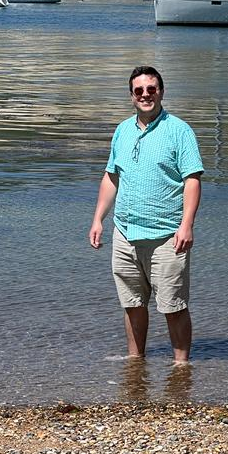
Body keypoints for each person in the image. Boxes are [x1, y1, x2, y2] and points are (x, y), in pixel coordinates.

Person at [89, 65, 203, 363]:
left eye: (151, 89)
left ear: (161, 92)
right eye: (139, 90)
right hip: (125, 233)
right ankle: (135, 361)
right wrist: (98, 218)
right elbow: (111, 176)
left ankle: (181, 366)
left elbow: (192, 180)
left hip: (168, 235)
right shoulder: (122, 130)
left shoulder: (179, 130)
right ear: (131, 96)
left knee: (173, 306)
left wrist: (186, 225)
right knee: (132, 304)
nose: (145, 95)